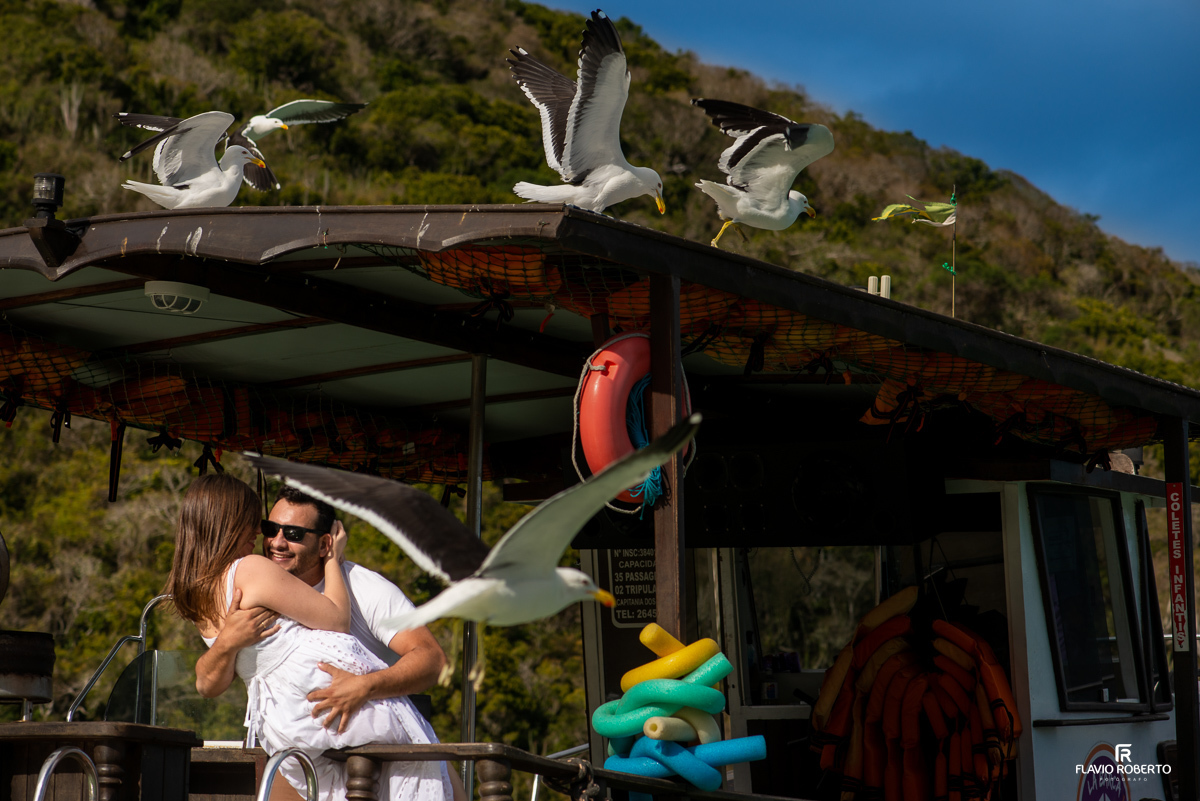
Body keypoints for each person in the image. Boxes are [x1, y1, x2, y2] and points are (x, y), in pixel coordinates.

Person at [166, 474, 453, 801]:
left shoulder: (363, 587)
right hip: (303, 725)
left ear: (324, 542)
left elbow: (432, 658)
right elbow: (206, 683)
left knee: (436, 771)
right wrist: (229, 641)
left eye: (294, 534)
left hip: (341, 716)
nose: (272, 539)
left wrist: (366, 686)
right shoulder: (249, 572)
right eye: (268, 526)